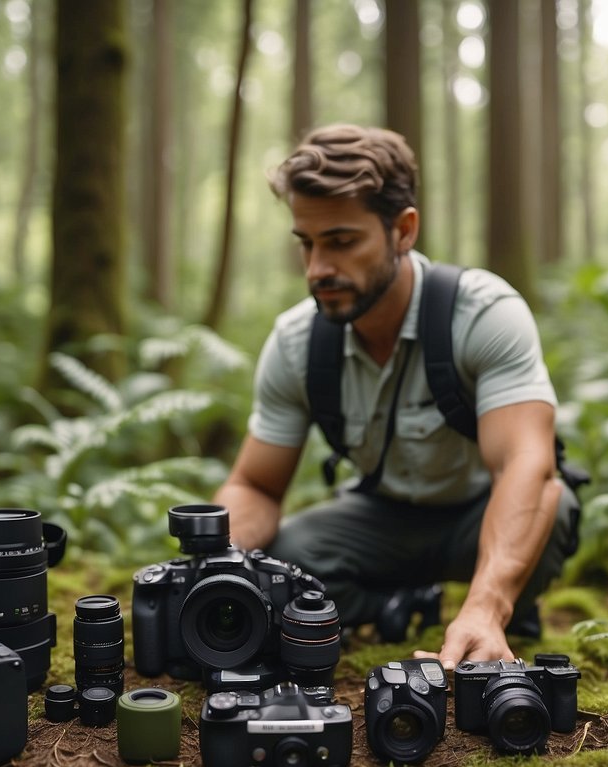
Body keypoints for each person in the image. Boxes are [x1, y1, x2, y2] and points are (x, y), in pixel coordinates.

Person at [213, 124, 579, 670]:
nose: (317, 270)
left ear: (403, 230)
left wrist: (484, 604)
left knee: (553, 508)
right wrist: (215, 568)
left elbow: (527, 464)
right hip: (377, 520)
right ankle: (398, 608)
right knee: (286, 560)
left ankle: (500, 615)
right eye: (306, 244)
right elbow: (256, 484)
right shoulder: (295, 343)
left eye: (341, 242)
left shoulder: (483, 314)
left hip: (478, 514)